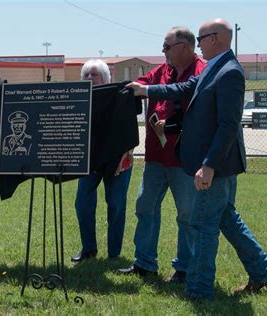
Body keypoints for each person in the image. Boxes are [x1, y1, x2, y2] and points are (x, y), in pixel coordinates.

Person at [127, 18, 267, 299]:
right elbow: (183, 89)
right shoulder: (213, 68)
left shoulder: (230, 72)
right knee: (228, 221)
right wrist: (146, 90)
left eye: (201, 38)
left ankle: (198, 289)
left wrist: (208, 165)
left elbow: (228, 126)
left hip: (216, 166)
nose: (198, 43)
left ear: (216, 38)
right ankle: (263, 273)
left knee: (202, 225)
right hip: (212, 164)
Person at [117, 27, 206, 283]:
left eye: (167, 47)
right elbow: (144, 84)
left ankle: (185, 268)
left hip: (184, 160)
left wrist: (147, 90)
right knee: (145, 207)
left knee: (187, 215)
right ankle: (144, 263)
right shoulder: (163, 71)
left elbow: (182, 91)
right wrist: (132, 88)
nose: (163, 51)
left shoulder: (201, 71)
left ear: (185, 47)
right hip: (156, 158)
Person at [71, 59, 134, 262]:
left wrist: (126, 154)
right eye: (86, 75)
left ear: (106, 78)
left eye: (94, 74)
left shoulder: (120, 96)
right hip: (90, 161)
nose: (90, 78)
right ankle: (88, 249)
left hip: (118, 160)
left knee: (115, 205)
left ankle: (113, 254)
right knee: (83, 204)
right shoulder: (79, 100)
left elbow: (130, 129)